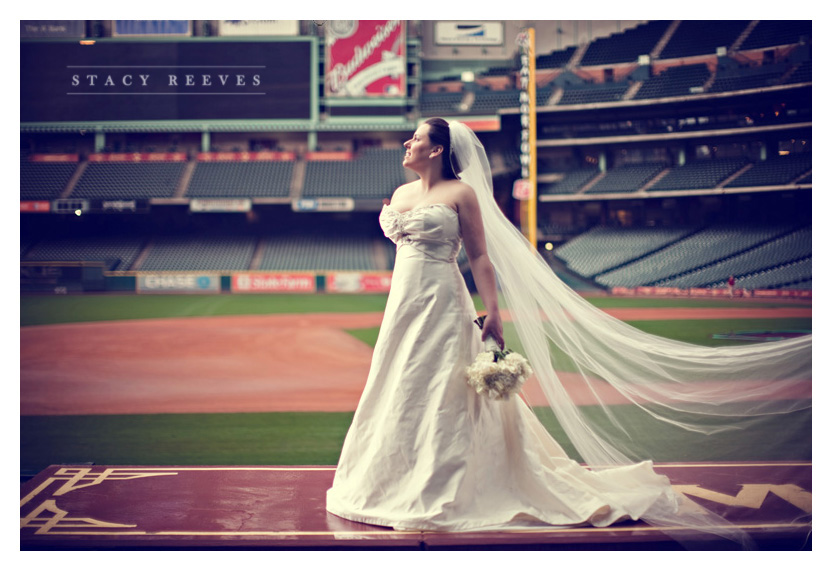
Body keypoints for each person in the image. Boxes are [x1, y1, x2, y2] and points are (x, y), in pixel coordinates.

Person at [325, 119, 812, 547]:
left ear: (437, 150)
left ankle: (440, 485)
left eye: (416, 139)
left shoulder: (462, 194)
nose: (406, 144)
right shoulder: (405, 193)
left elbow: (478, 257)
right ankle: (391, 478)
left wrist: (493, 311)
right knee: (400, 385)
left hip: (442, 300)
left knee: (442, 390)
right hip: (403, 304)